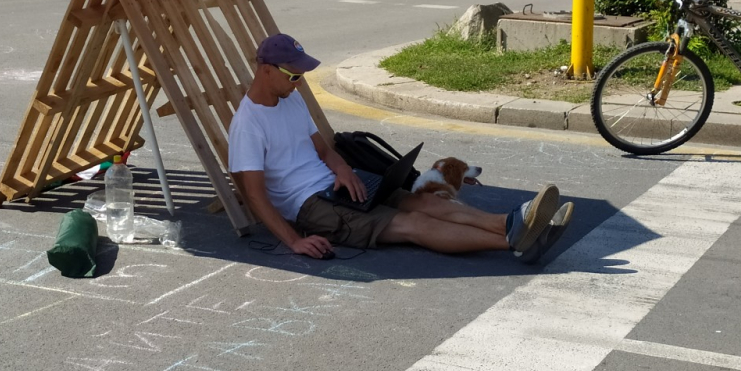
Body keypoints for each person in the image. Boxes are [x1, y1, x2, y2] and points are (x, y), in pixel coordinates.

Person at [228, 34, 574, 263]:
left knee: (422, 201)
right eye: (293, 76)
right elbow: (255, 196)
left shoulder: (291, 100)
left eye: (301, 75)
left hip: (335, 187)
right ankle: (517, 241)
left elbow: (324, 150)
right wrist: (293, 241)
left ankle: (515, 222)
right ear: (265, 71)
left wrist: (344, 169)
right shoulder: (248, 125)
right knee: (411, 223)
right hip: (310, 208)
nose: (299, 81)